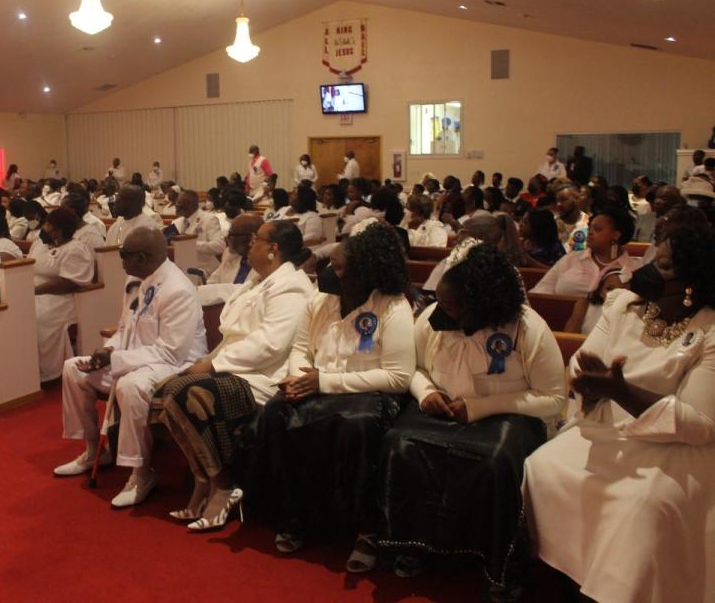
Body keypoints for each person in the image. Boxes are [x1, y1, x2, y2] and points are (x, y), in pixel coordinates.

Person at [523, 224, 715, 603]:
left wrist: (621, 390)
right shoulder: (624, 305)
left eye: (662, 266)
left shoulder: (708, 329)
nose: (644, 272)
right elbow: (582, 359)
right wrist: (587, 380)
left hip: (672, 447)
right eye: (654, 256)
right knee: (542, 466)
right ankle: (567, 572)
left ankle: (615, 590)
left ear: (691, 283)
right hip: (606, 425)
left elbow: (700, 424)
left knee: (642, 504)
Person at [377, 244, 566, 600]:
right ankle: (415, 546)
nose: (442, 310)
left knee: (493, 462)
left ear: (482, 301)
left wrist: (480, 407)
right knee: (400, 445)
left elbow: (554, 398)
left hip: (509, 413)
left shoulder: (526, 327)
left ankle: (497, 565)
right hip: (442, 407)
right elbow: (413, 368)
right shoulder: (435, 318)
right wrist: (425, 392)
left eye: (452, 305)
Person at [247, 223, 415, 558]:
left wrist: (323, 382)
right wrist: (298, 378)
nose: (325, 273)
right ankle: (295, 515)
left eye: (336, 268)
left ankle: (365, 528)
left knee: (354, 427)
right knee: (275, 414)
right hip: (317, 385)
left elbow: (398, 377)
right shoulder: (320, 302)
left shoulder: (393, 307)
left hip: (368, 394)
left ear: (365, 273)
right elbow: (300, 349)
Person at [154, 221, 314, 531]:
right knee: (165, 388)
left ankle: (223, 484)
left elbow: (270, 344)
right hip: (237, 366)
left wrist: (212, 366)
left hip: (265, 375)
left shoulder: (291, 286)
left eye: (257, 239)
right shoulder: (258, 279)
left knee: (189, 393)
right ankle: (204, 479)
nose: (251, 243)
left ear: (273, 249)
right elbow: (233, 336)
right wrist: (206, 360)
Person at [54, 228, 207, 508]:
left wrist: (118, 361)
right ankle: (93, 451)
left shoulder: (178, 290)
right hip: (135, 358)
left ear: (142, 257)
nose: (119, 260)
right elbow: (124, 327)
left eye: (123, 255)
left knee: (130, 385)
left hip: (176, 364)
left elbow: (171, 351)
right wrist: (109, 350)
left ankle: (141, 473)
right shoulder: (136, 280)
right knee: (74, 368)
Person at [30, 208, 95, 383]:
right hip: (34, 292)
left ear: (58, 231)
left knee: (38, 317)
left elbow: (69, 282)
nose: (44, 228)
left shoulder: (76, 249)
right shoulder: (40, 245)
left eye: (48, 225)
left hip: (60, 298)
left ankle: (45, 371)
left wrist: (35, 290)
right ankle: (24, 365)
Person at [531, 205, 636, 297]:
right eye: (589, 228)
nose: (590, 233)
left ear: (616, 235)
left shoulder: (631, 269)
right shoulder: (571, 259)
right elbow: (541, 292)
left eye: (597, 229)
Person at [169, 190, 225, 275]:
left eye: (180, 202)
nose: (176, 205)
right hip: (181, 270)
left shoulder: (209, 219)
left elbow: (219, 246)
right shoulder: (175, 222)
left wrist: (190, 244)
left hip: (203, 270)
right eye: (177, 202)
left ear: (191, 204)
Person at [563, 266, 627, 335]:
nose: (614, 294)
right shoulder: (584, 306)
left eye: (621, 290)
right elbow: (568, 336)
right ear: (600, 292)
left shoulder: (635, 312)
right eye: (609, 289)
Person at [205, 214, 263, 285]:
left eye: (232, 234)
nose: (226, 238)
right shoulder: (229, 254)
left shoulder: (265, 264)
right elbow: (212, 282)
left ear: (251, 238)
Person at [553, 183, 589, 252]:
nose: (558, 204)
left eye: (563, 200)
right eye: (557, 201)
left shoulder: (588, 224)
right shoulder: (552, 224)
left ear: (577, 199)